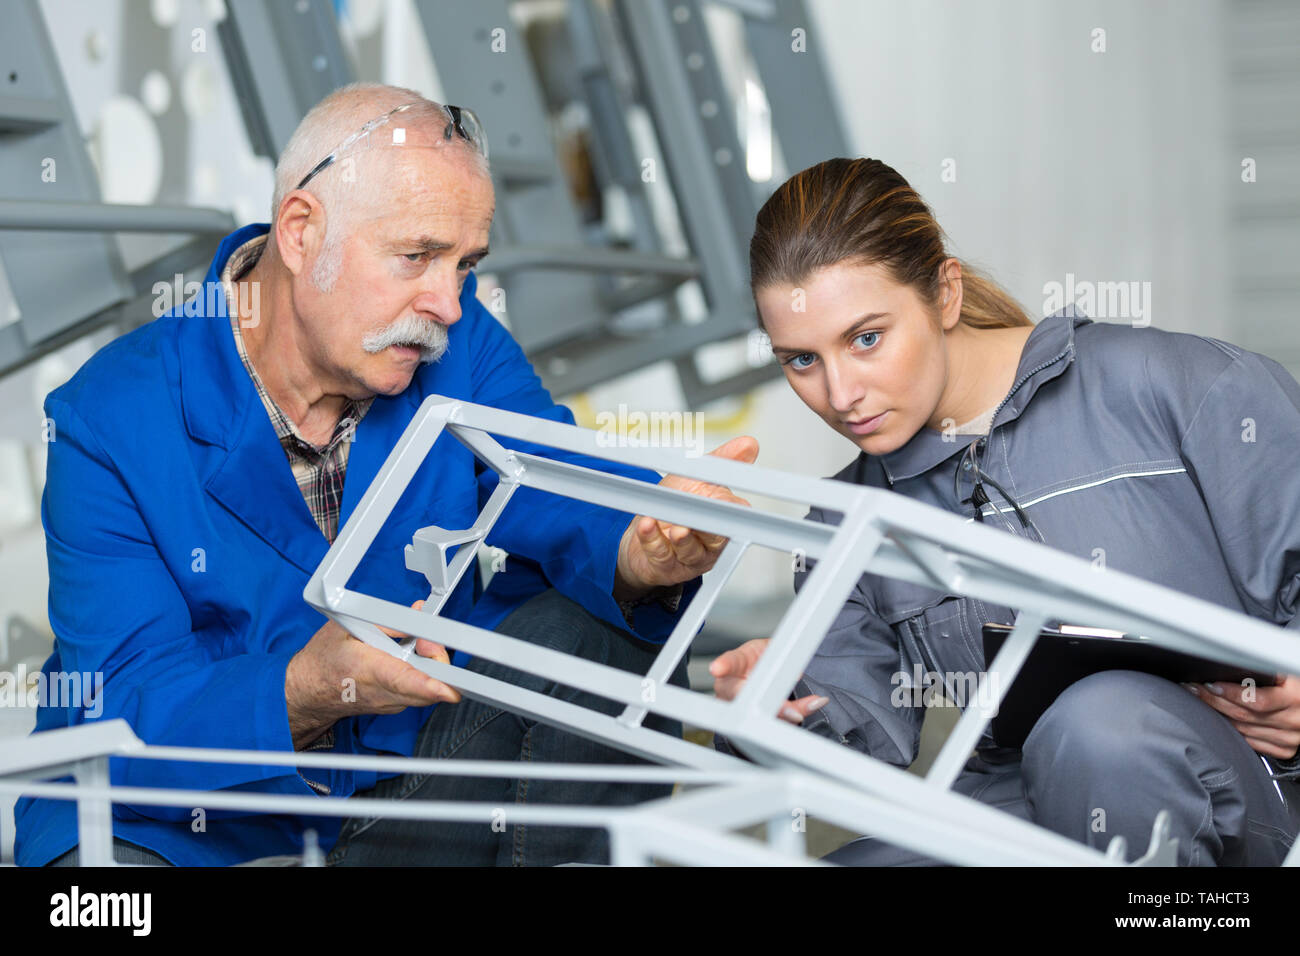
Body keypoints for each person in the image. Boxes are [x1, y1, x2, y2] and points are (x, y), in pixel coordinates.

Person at [17, 83, 757, 867]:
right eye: (416, 256)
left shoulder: (460, 345)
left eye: (466, 263)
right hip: (175, 824)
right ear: (301, 233)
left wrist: (641, 546)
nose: (447, 301)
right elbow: (129, 712)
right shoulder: (109, 419)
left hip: (394, 798)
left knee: (598, 631)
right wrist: (304, 686)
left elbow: (556, 479)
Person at [709, 156, 1300, 865]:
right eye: (801, 360)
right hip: (1014, 812)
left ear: (946, 293)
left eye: (866, 339)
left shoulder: (1187, 391)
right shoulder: (850, 517)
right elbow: (856, 741)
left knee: (1102, 728)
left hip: (1248, 807)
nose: (840, 394)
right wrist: (770, 707)